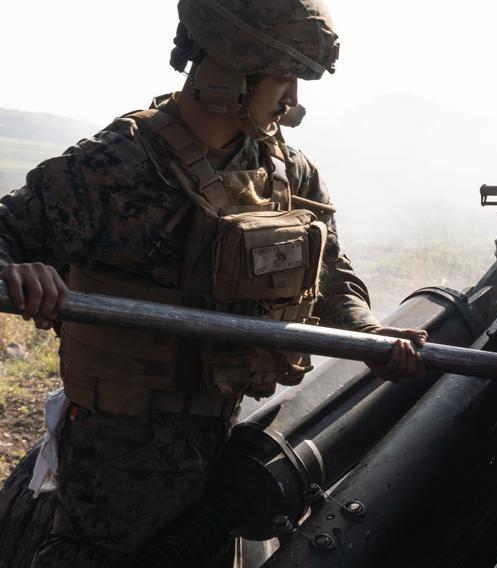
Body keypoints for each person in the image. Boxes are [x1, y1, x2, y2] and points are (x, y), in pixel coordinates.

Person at [0, 0, 427, 565]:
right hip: (120, 454)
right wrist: (19, 271)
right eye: (285, 79)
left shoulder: (287, 172)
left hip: (230, 431)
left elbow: (331, 276)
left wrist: (368, 335)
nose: (295, 102)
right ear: (230, 73)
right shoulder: (114, 167)